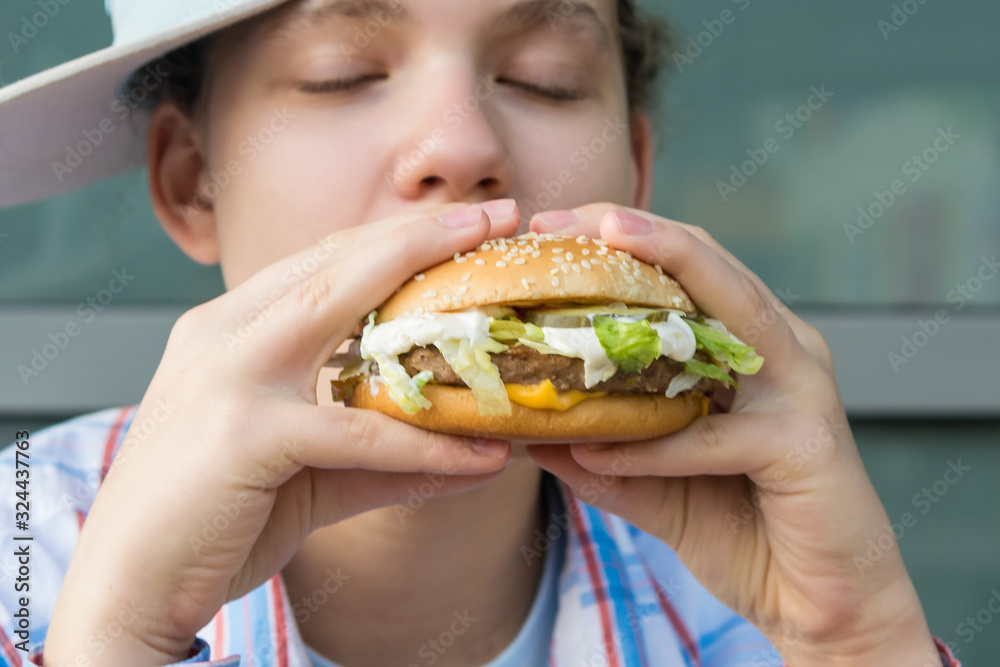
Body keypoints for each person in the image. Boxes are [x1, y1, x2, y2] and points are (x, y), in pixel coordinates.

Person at [0, 1, 960, 665]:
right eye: (343, 74)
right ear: (189, 179)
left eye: (544, 81)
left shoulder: (760, 594)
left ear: (633, 172)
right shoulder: (20, 542)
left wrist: (856, 641)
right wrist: (115, 642)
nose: (462, 147)